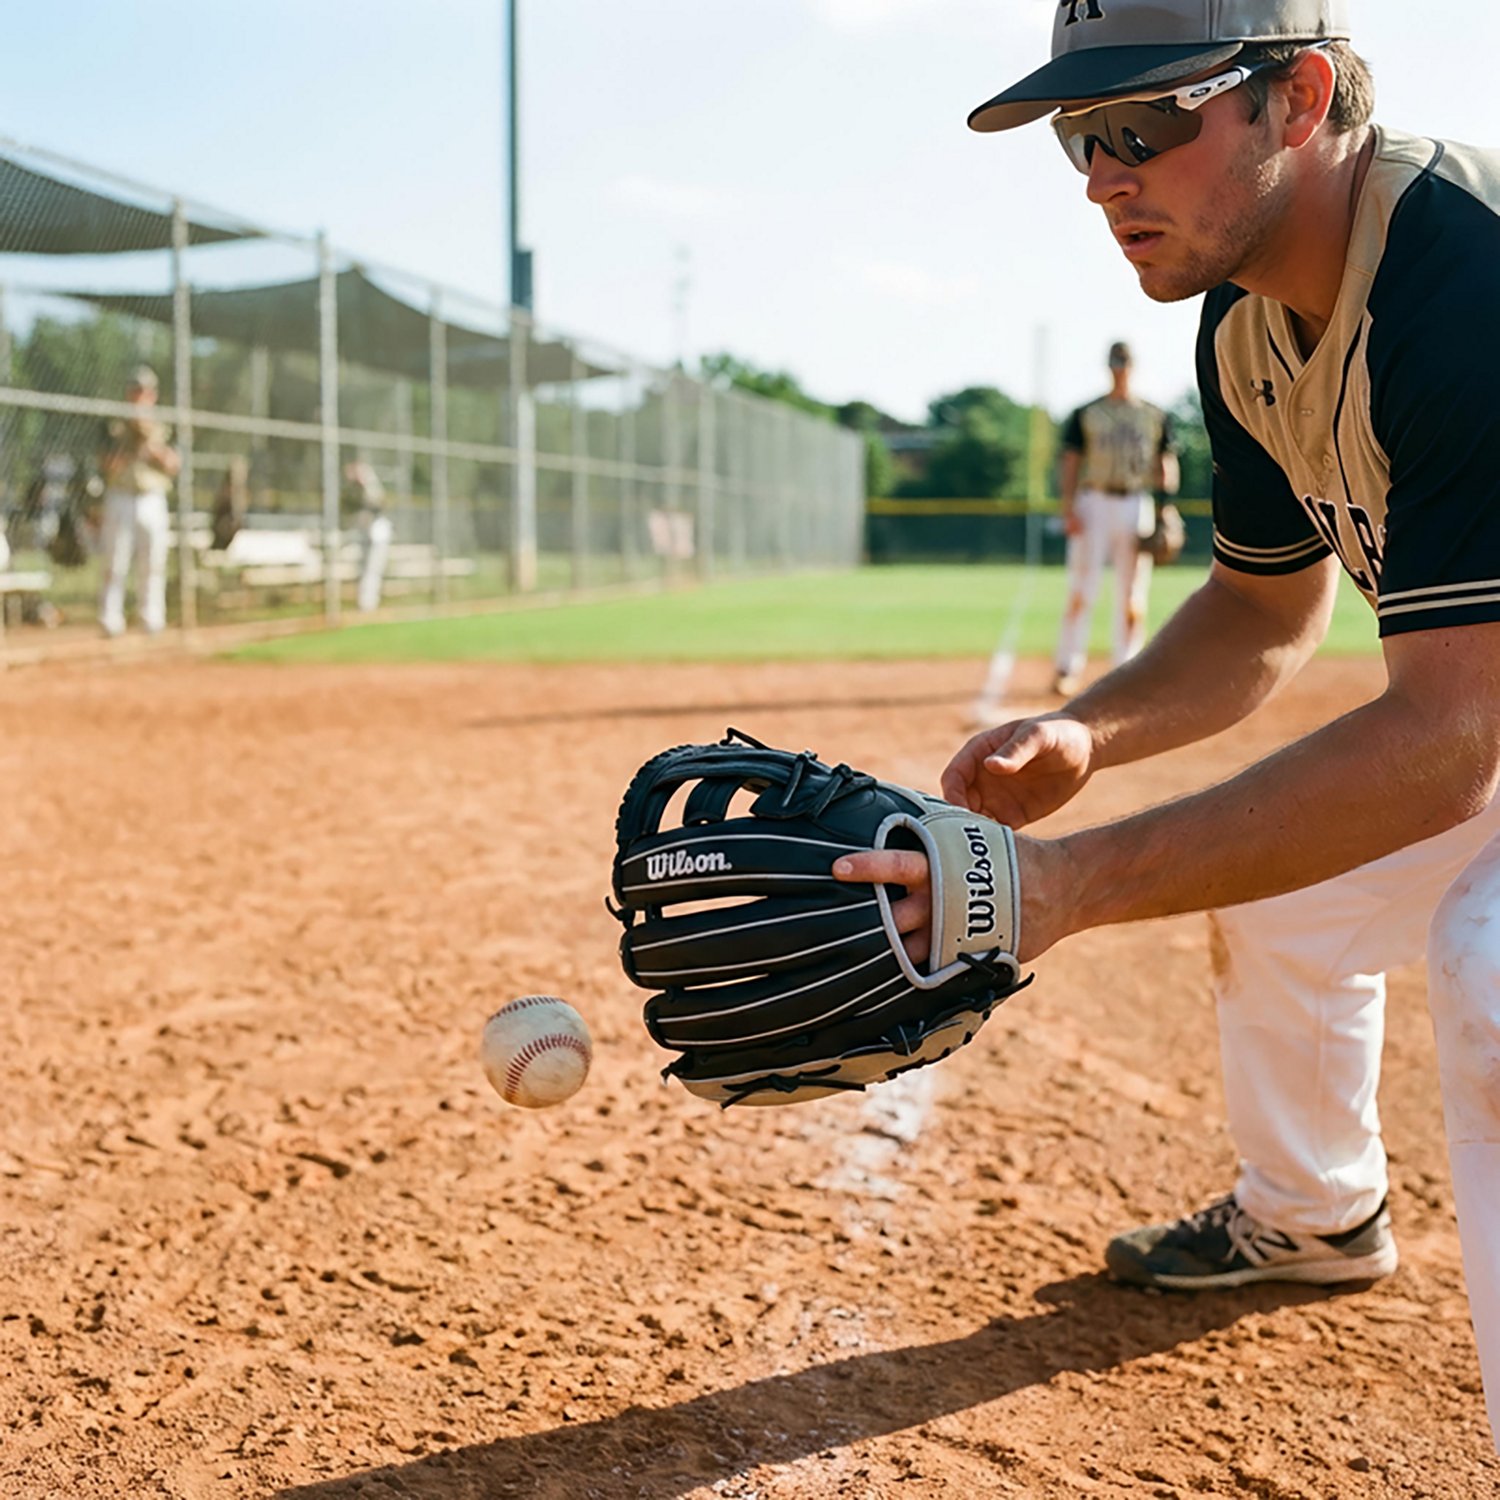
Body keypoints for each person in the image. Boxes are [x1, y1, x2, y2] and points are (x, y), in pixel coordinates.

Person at [834, 0, 1500, 1450]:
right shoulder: (1247, 312)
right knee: (1283, 892)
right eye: (1082, 137)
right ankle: (1312, 1217)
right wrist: (1089, 734)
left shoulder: (1466, 276)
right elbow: (1264, 617)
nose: (1099, 176)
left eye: (1141, 125)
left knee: (1488, 956)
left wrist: (1064, 887)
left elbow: (1452, 745)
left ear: (1301, 97)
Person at [1052, 340, 1179, 696]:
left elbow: (1165, 462)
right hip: (1093, 501)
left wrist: (1165, 509)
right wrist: (1068, 507)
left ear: (1133, 367)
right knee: (1081, 589)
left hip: (1135, 504)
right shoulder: (1087, 413)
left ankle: (1126, 670)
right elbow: (1071, 461)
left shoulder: (1153, 415)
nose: (1120, 370)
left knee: (1132, 593)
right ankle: (1067, 666)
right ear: (1108, 367)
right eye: (1115, 364)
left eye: (1124, 364)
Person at [97, 366, 179, 637]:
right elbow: (105, 463)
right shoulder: (114, 425)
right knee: (114, 561)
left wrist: (151, 448)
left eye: (145, 390)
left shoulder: (163, 424)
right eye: (135, 389)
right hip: (120, 495)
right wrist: (131, 447)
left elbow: (174, 464)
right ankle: (111, 621)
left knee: (153, 562)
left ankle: (152, 619)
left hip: (152, 498)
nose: (140, 395)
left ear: (153, 394)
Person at [341, 459, 391, 613]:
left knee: (373, 569)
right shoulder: (353, 492)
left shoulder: (372, 489)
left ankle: (369, 603)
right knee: (363, 568)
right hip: (365, 534)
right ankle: (365, 602)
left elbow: (378, 503)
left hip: (377, 535)